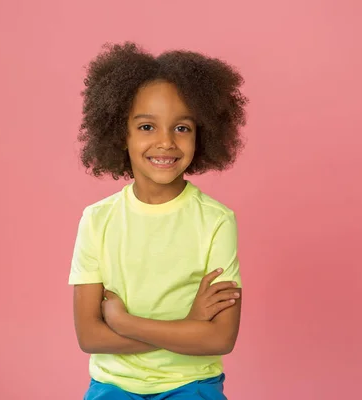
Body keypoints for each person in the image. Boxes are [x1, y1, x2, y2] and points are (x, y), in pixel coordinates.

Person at [69, 42, 248, 399]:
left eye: (182, 128)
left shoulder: (216, 221)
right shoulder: (97, 220)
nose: (165, 142)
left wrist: (123, 322)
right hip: (112, 386)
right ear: (122, 134)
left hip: (192, 386)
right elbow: (89, 337)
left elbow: (220, 338)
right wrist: (187, 328)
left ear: (202, 134)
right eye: (147, 126)